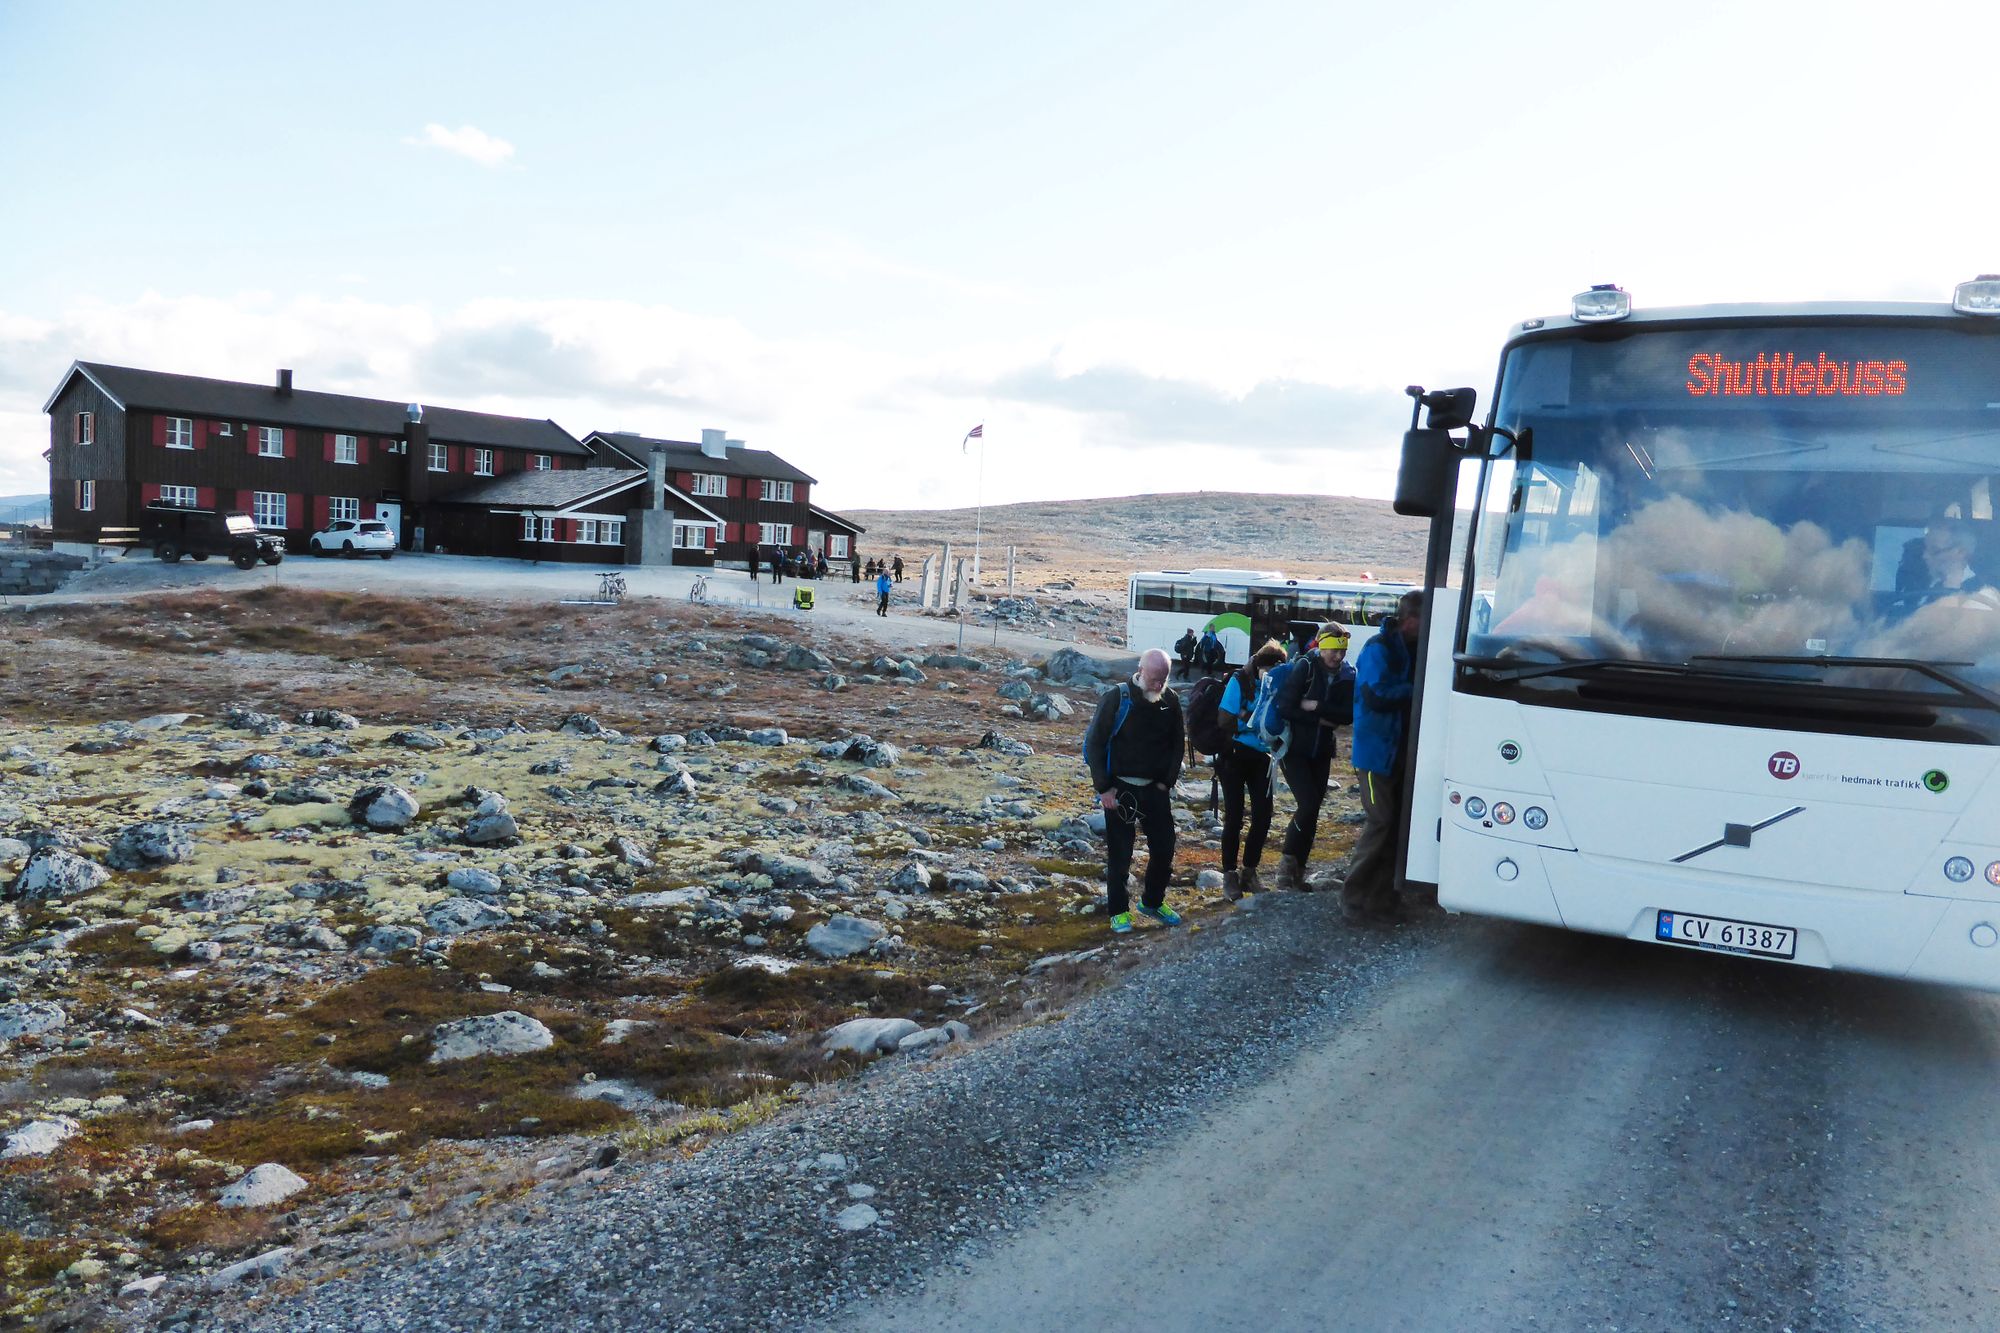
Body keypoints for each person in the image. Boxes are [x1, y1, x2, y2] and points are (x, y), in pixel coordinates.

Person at [1083, 648, 1185, 933]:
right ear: (1141, 670)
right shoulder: (1117, 698)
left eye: (1163, 679)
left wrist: (1167, 781)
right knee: (1120, 853)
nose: (1158, 685)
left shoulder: (1171, 701)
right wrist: (1104, 788)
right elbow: (1095, 744)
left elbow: (1178, 744)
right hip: (1120, 790)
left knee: (1164, 849)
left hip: (1155, 789)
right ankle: (1118, 911)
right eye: (1154, 678)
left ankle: (1152, 902)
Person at [1342, 590, 1425, 924]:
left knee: (1396, 825)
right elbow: (1375, 694)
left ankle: (1383, 899)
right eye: (1424, 620)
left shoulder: (1408, 647)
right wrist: (1418, 688)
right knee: (1381, 822)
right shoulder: (1379, 649)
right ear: (1410, 620)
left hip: (1397, 751)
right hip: (1376, 755)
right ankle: (1353, 898)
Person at [1273, 624, 1355, 892]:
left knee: (1314, 809)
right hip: (1294, 749)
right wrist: (1321, 719)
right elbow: (1286, 707)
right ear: (1321, 645)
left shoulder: (1347, 674)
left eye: (1341, 651)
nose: (1337, 657)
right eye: (1333, 650)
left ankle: (1299, 872)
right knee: (1307, 804)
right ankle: (1285, 869)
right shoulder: (1305, 668)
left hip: (1321, 751)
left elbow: (1347, 716)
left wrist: (1317, 707)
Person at [1215, 640, 1287, 899]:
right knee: (1234, 816)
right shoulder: (1239, 681)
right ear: (1259, 666)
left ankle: (1249, 872)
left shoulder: (1278, 686)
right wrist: (1253, 719)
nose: (1271, 676)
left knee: (1263, 816)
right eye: (1268, 670)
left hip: (1263, 756)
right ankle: (1229, 875)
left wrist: (1251, 717)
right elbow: (1224, 718)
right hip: (1234, 754)